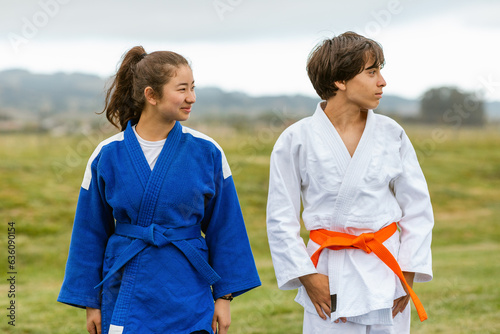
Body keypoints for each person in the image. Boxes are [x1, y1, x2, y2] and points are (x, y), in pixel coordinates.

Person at [58, 46, 261, 334]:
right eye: (182, 89)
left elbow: (226, 228)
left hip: (188, 289)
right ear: (151, 95)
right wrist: (92, 303)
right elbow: (89, 232)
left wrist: (224, 297)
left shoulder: (208, 151)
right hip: (127, 288)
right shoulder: (107, 154)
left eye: (193, 88)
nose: (191, 97)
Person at [266, 31, 433, 333]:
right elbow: (280, 218)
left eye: (381, 71)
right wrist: (307, 275)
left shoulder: (390, 133)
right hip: (327, 274)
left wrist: (407, 270)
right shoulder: (296, 140)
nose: (382, 81)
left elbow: (418, 208)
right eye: (372, 72)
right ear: (340, 81)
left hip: (386, 271)